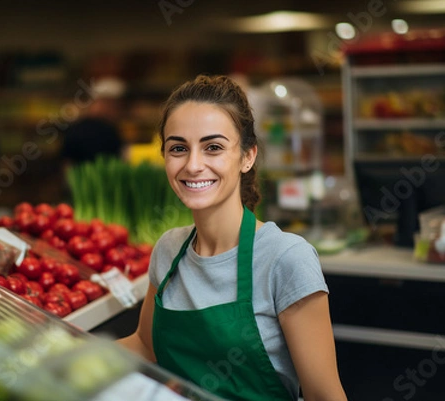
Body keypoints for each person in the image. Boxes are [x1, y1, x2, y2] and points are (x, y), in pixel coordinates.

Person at [118, 75, 347, 401]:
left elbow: (325, 396)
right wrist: (68, 354)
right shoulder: (168, 250)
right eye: (178, 148)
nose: (194, 165)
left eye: (213, 147)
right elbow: (145, 344)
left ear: (247, 156)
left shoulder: (285, 258)